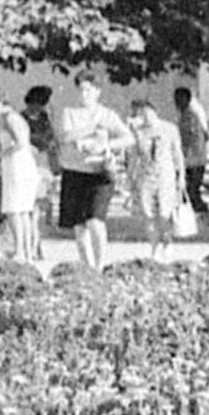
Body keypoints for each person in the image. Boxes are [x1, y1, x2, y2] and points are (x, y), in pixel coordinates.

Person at [53, 71, 132, 271]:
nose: (84, 94)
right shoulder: (69, 113)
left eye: (88, 90)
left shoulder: (107, 114)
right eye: (81, 90)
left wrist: (106, 146)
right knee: (79, 226)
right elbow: (65, 136)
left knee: (95, 221)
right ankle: (87, 266)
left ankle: (99, 265)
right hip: (75, 170)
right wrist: (92, 129)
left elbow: (128, 138)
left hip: (99, 172)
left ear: (97, 91)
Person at [0, 88, 43, 262]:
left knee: (14, 210)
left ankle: (21, 250)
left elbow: (21, 143)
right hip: (18, 164)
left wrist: (0, 155)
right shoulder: (13, 117)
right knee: (22, 211)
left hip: (18, 165)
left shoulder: (10, 118)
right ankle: (25, 251)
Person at [124, 97, 190, 251]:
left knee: (164, 213)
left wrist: (181, 176)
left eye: (146, 112)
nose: (145, 117)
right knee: (149, 214)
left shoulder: (170, 129)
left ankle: (167, 242)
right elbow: (134, 156)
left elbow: (177, 154)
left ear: (154, 111)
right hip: (146, 176)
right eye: (140, 114)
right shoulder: (138, 132)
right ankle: (154, 247)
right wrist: (130, 177)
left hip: (165, 176)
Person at [173, 84, 209, 212]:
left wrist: (185, 157)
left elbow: (194, 140)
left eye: (180, 99)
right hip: (192, 159)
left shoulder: (190, 117)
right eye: (176, 99)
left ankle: (200, 213)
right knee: (190, 191)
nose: (177, 102)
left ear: (187, 99)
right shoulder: (184, 116)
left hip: (194, 160)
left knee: (191, 191)